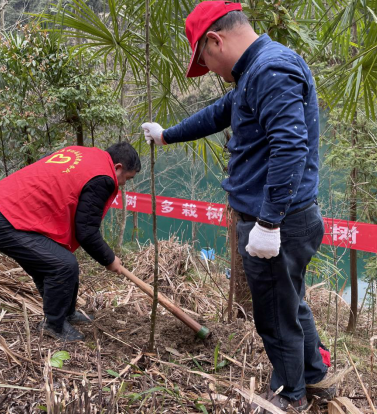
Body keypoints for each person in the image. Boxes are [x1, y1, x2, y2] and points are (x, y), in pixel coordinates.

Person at [141, 1, 334, 411]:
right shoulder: (256, 71)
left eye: (205, 60)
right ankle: (314, 375)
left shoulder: (270, 69)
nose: (210, 70)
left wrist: (268, 223)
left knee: (275, 316)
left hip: (278, 221)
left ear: (215, 40)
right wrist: (167, 135)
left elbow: (290, 146)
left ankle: (290, 395)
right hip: (284, 217)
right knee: (290, 303)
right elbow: (218, 114)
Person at [0, 142, 140, 342]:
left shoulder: (84, 153)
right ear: (118, 167)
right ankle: (53, 325)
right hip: (2, 219)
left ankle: (66, 314)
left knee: (54, 262)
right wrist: (109, 259)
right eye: (126, 178)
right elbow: (86, 231)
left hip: (2, 208)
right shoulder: (103, 177)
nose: (123, 184)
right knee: (63, 265)